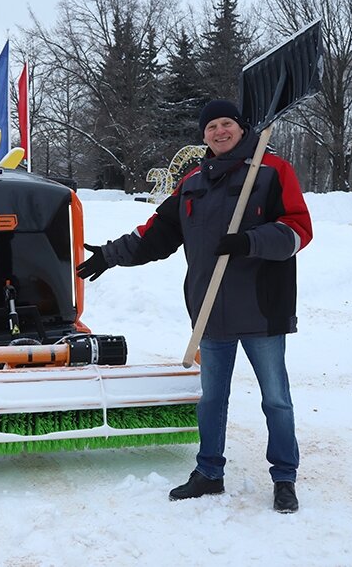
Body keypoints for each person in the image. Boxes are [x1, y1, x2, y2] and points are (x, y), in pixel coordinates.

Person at [77, 99, 313, 514]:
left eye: (227, 124)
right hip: (210, 309)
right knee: (211, 399)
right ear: (203, 136)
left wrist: (251, 241)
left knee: (276, 398)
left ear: (241, 129)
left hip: (262, 307)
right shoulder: (193, 181)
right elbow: (157, 233)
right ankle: (209, 471)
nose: (219, 132)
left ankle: (284, 477)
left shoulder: (272, 170)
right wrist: (110, 255)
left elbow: (298, 229)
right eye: (211, 127)